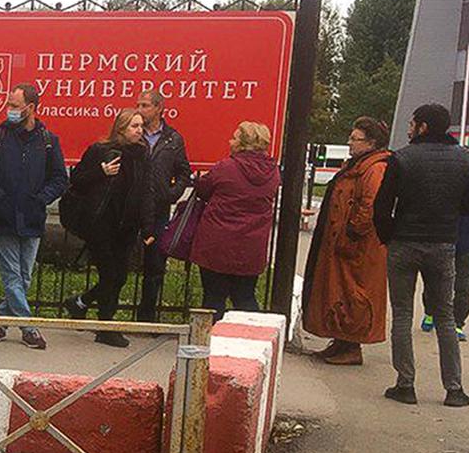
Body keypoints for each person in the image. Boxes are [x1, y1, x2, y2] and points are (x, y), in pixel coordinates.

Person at [374, 103, 469, 407]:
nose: (409, 129)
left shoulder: (402, 158)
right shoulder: (465, 158)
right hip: (443, 244)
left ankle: (405, 384)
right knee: (445, 316)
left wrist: (388, 236)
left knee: (403, 315)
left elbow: (382, 206)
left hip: (404, 243)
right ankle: (454, 389)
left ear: (422, 127)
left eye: (412, 123)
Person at [0, 84, 68, 348]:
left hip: (32, 217)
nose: (10, 110)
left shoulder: (48, 140)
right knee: (12, 275)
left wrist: (42, 198)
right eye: (9, 105)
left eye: (15, 105)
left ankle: (0, 323)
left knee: (24, 276)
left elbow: (60, 178)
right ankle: (29, 328)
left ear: (31, 108)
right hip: (4, 217)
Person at [301, 117, 392, 366]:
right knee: (337, 292)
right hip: (342, 242)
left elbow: (369, 205)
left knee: (353, 295)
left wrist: (352, 233)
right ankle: (340, 340)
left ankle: (351, 345)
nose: (349, 142)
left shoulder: (374, 168)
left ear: (371, 142)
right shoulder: (358, 165)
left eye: (355, 139)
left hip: (356, 247)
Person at [61, 109, 148, 348]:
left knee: (119, 277)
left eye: (141, 126)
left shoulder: (141, 154)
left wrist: (145, 222)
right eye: (134, 126)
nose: (139, 130)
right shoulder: (101, 150)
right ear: (121, 128)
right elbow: (77, 179)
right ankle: (105, 326)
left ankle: (80, 303)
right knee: (111, 274)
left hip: (126, 225)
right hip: (101, 224)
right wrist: (101, 172)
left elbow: (144, 189)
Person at [189, 122, 281, 319]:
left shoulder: (227, 167)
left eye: (234, 137)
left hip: (218, 243)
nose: (230, 141)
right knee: (245, 296)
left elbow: (203, 189)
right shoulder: (273, 172)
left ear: (242, 143)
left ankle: (211, 340)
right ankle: (251, 340)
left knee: (213, 297)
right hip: (251, 245)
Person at [135, 90, 192, 322]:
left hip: (158, 209)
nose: (140, 109)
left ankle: (146, 317)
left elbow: (183, 171)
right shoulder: (133, 133)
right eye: (138, 104)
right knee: (117, 263)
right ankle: (106, 316)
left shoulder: (172, 139)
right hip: (132, 206)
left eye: (145, 105)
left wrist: (172, 193)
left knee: (155, 265)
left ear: (159, 108)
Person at [421, 171, 469, 341]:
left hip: (467, 246)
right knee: (433, 281)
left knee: (463, 286)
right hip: (440, 241)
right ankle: (430, 312)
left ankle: (457, 323)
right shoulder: (444, 183)